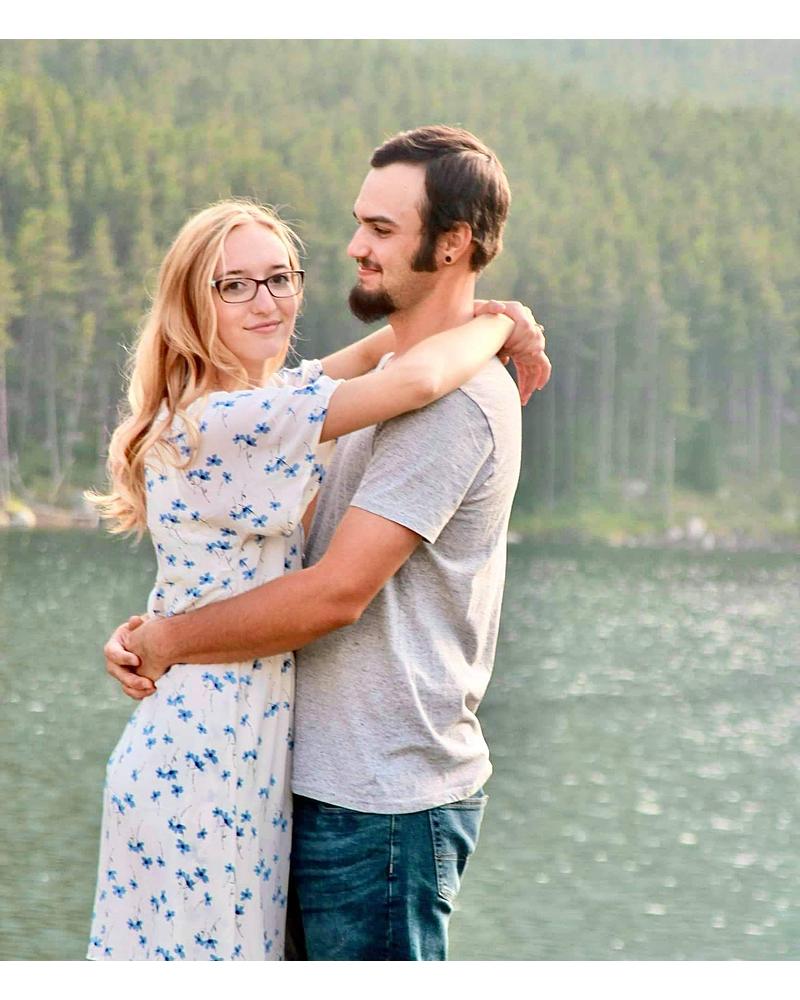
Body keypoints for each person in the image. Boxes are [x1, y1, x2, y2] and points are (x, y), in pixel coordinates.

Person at [104, 126, 552, 961]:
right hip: (271, 773)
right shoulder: (290, 406)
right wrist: (500, 320)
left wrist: (164, 639)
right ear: (192, 304)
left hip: (379, 804)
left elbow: (335, 592)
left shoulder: (444, 402)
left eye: (381, 229)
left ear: (451, 243)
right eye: (235, 285)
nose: (354, 247)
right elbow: (402, 363)